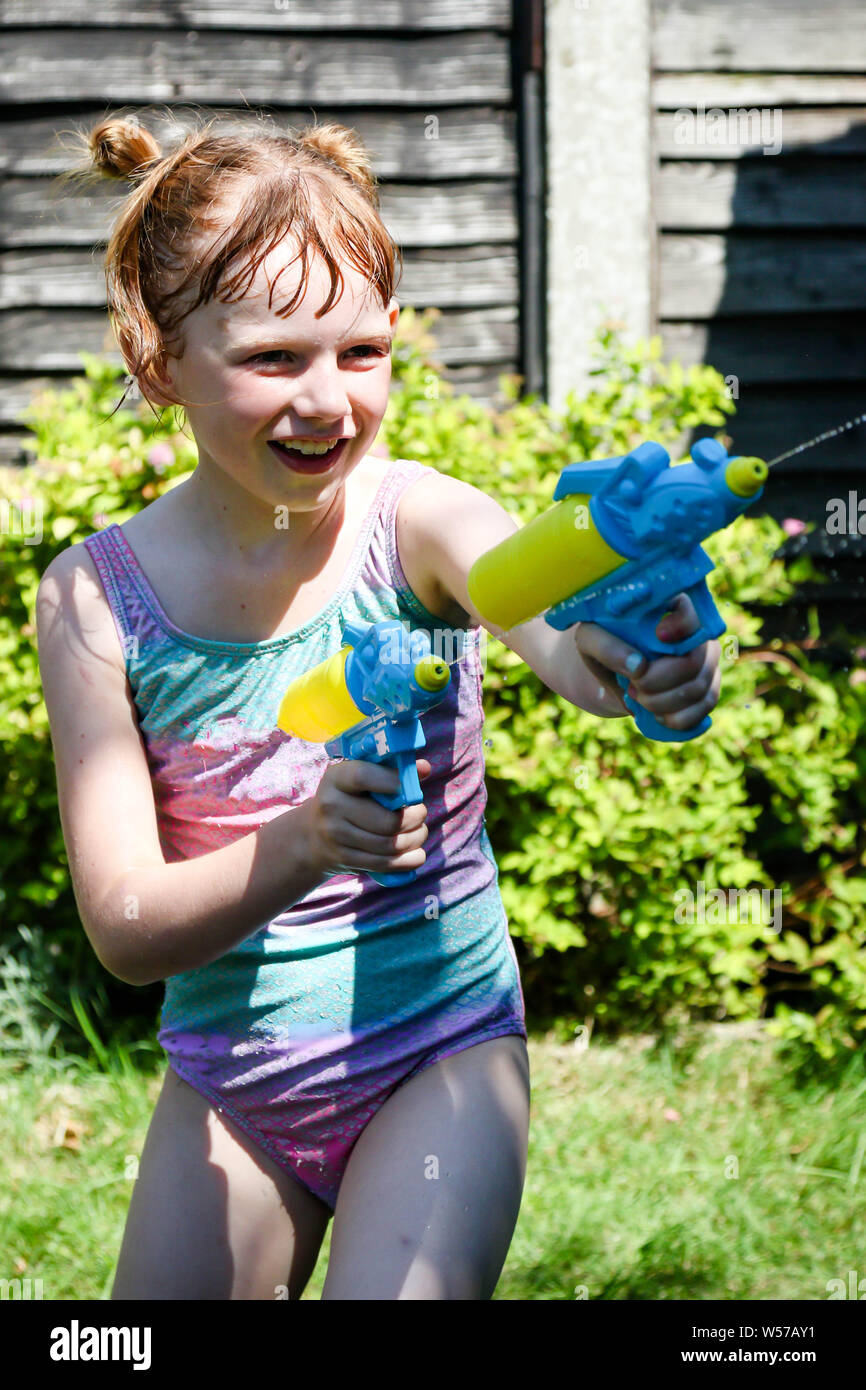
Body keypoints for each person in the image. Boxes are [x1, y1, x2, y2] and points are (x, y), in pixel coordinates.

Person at [36, 111, 721, 1300]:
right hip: (232, 1081)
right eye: (271, 359)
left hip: (440, 1050)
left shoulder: (418, 522)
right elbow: (127, 927)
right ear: (158, 361)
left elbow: (569, 649)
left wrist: (642, 655)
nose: (327, 401)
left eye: (361, 352)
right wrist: (305, 843)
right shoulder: (97, 601)